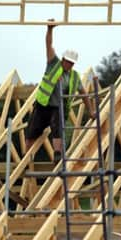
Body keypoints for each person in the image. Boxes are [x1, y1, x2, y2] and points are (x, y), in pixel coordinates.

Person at [25, 19, 96, 155]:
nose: (69, 65)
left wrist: (91, 111)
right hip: (42, 106)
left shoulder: (74, 77)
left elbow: (84, 95)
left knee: (57, 127)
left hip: (57, 108)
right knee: (31, 133)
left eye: (71, 63)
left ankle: (57, 153)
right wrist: (50, 29)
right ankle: (26, 159)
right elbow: (48, 45)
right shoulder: (53, 64)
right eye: (67, 62)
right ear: (63, 59)